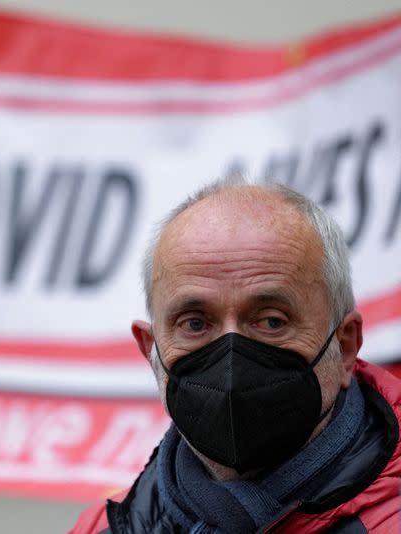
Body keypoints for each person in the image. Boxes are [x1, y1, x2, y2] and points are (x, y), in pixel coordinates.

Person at [70, 178, 401, 533]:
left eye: (272, 321)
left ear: (346, 346)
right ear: (151, 350)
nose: (231, 359)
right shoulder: (103, 527)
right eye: (195, 323)